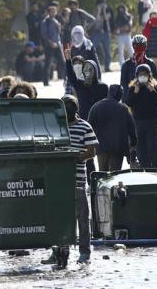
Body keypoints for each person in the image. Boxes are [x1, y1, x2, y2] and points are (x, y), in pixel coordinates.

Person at [59, 95, 96, 264]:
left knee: (82, 217)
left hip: (78, 179)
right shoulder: (56, 126)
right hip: (58, 179)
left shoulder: (84, 126)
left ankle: (84, 251)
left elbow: (91, 151)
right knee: (60, 217)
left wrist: (76, 158)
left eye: (71, 106)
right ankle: (60, 249)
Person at [88, 85, 136, 171]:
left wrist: (90, 146)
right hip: (118, 149)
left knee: (102, 175)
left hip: (101, 148)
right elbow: (132, 130)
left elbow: (89, 128)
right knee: (115, 175)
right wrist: (133, 144)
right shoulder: (123, 109)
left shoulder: (96, 107)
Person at [126, 64, 157, 168]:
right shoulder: (133, 88)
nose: (143, 76)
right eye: (141, 74)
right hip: (138, 122)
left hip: (153, 121)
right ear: (137, 75)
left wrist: (153, 91)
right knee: (141, 147)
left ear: (149, 75)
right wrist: (135, 92)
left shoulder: (155, 87)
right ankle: (144, 168)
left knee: (153, 146)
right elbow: (128, 103)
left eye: (145, 74)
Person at [120, 34, 157, 103]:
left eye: (142, 46)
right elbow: (123, 86)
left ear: (145, 47)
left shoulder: (150, 63)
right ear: (133, 46)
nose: (139, 48)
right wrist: (125, 102)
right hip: (132, 98)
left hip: (148, 98)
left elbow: (156, 83)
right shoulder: (126, 65)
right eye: (136, 46)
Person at [41, 3, 64, 83]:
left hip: (57, 44)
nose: (54, 13)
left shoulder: (56, 20)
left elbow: (58, 34)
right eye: (52, 11)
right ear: (49, 12)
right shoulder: (45, 22)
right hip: (50, 46)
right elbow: (44, 35)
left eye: (55, 11)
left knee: (62, 62)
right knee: (48, 63)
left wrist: (59, 28)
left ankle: (67, 79)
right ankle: (46, 81)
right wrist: (51, 43)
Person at [88, 0, 113, 73]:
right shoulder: (95, 12)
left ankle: (107, 67)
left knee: (107, 51)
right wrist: (98, 11)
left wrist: (104, 10)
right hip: (96, 33)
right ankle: (90, 66)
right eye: (100, 4)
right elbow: (94, 20)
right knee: (92, 49)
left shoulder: (108, 11)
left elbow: (106, 19)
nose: (102, 6)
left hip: (105, 33)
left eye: (104, 4)